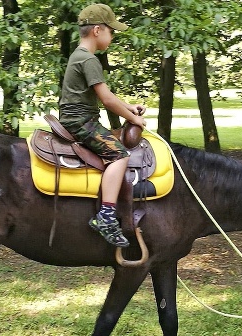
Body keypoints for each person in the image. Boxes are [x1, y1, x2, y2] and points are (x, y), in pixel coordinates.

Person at [59, 3, 146, 248]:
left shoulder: (80, 56)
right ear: (97, 30)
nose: (112, 35)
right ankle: (106, 216)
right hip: (80, 122)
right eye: (111, 30)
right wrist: (134, 120)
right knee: (119, 155)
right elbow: (106, 100)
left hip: (79, 118)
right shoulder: (88, 60)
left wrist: (128, 107)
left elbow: (104, 95)